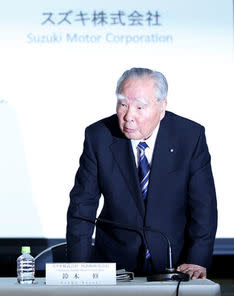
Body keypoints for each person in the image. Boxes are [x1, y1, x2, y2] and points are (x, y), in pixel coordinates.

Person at [66, 67, 217, 280]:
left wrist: (197, 259)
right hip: (114, 263)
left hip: (175, 263)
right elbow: (82, 206)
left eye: (139, 107)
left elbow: (204, 206)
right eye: (123, 104)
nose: (129, 116)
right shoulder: (98, 136)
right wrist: (78, 269)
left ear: (162, 106)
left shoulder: (190, 136)